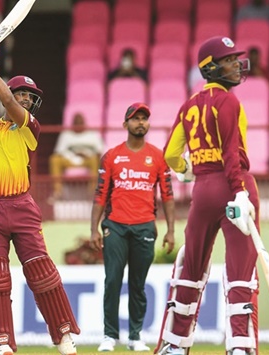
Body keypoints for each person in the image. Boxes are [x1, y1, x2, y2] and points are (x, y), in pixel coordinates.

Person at [0, 38, 80, 355]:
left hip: (21, 206)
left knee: (40, 269)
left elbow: (8, 101)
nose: (23, 99)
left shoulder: (29, 126)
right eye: (21, 93)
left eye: (29, 96)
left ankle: (63, 333)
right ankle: (2, 343)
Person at [155, 36, 260, 355]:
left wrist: (188, 169)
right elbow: (232, 152)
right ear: (210, 68)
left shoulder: (189, 104)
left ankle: (174, 345)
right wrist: (240, 192)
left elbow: (170, 154)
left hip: (202, 190)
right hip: (233, 184)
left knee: (192, 266)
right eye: (228, 60)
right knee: (241, 266)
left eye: (234, 59)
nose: (235, 65)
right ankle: (240, 347)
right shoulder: (228, 100)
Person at [90, 102, 176, 352]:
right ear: (125, 124)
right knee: (113, 280)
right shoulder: (112, 156)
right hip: (115, 226)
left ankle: (135, 336)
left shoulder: (158, 156)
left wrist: (171, 230)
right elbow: (100, 195)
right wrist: (94, 229)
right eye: (135, 118)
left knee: (138, 284)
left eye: (144, 119)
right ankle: (109, 335)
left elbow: (168, 196)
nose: (141, 122)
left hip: (145, 227)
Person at [49, 112, 104, 201]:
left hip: (88, 159)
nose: (78, 125)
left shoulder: (92, 134)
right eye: (76, 123)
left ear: (84, 123)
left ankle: (93, 193)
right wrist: (73, 154)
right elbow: (58, 152)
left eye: (80, 123)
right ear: (72, 124)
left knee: (95, 160)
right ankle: (58, 192)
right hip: (70, 160)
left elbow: (100, 151)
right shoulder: (66, 134)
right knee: (54, 159)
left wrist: (87, 154)